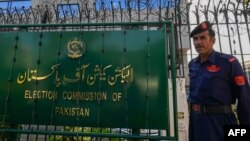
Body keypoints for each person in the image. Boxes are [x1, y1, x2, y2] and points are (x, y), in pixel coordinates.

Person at [188, 21, 250, 141]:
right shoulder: (192, 64)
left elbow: (244, 98)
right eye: (195, 39)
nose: (198, 42)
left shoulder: (228, 62)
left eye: (203, 38)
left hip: (221, 122)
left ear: (213, 40)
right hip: (196, 122)